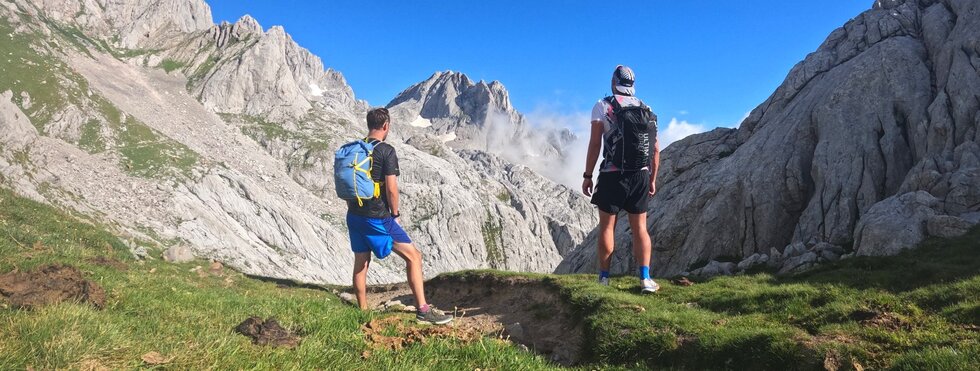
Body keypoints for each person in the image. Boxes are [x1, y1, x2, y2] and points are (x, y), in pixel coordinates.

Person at [346, 107, 454, 325]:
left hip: (354, 215)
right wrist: (394, 214)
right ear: (386, 125)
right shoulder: (386, 150)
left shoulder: (354, 149)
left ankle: (363, 310)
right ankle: (423, 310)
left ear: (369, 124)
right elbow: (392, 190)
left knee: (361, 261)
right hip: (378, 217)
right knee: (414, 256)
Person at [582, 65, 661, 293]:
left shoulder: (603, 106)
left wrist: (588, 175)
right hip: (640, 175)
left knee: (607, 227)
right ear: (632, 84)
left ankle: (604, 279)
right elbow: (655, 150)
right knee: (640, 229)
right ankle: (645, 279)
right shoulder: (646, 108)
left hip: (612, 175)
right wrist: (652, 179)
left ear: (613, 81)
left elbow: (595, 143)